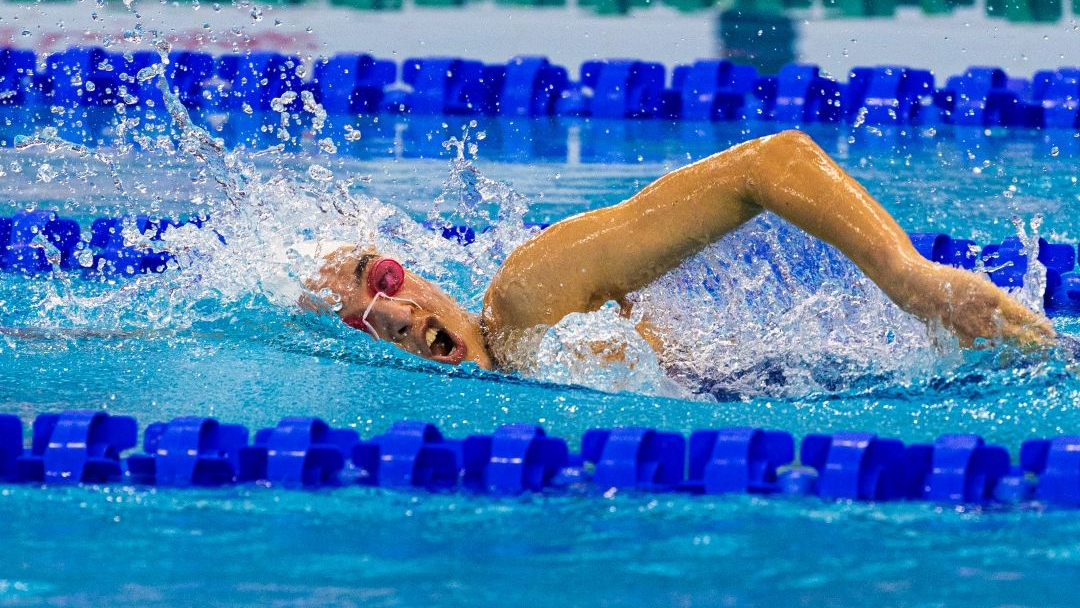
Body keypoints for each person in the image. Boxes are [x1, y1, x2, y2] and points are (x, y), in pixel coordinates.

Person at [304, 130, 1056, 372]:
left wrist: (910, 278)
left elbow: (773, 161)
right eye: (361, 320)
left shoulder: (526, 298)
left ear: (422, 277)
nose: (396, 315)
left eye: (386, 280)